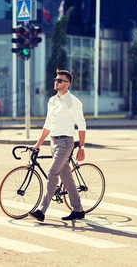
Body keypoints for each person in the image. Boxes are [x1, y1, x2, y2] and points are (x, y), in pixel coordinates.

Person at [29, 69, 87, 222]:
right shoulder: (52, 101)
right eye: (55, 79)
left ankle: (42, 211)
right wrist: (38, 144)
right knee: (66, 177)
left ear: (67, 84)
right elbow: (48, 124)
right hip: (53, 141)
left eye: (60, 80)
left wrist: (81, 148)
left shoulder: (73, 102)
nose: (56, 82)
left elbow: (82, 125)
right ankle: (78, 210)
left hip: (66, 143)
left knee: (52, 173)